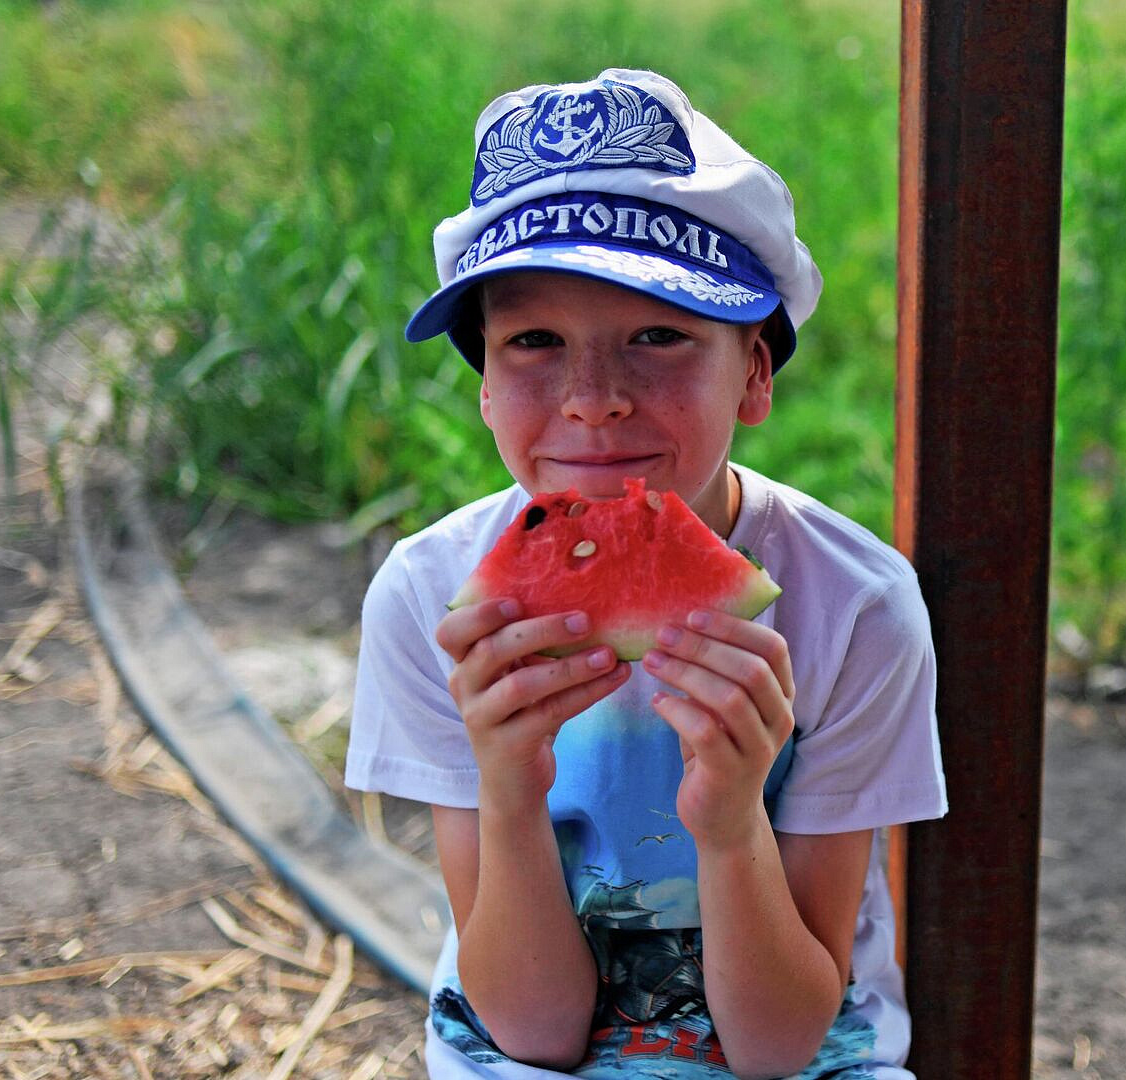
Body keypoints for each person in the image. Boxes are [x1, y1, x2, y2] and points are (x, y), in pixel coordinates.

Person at [344, 69, 948, 1079]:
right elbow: (532, 1035)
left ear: (754, 372)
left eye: (659, 337)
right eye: (534, 342)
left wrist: (728, 825)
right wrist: (507, 784)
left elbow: (781, 1046)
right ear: (485, 388)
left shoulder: (857, 607)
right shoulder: (430, 598)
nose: (593, 399)